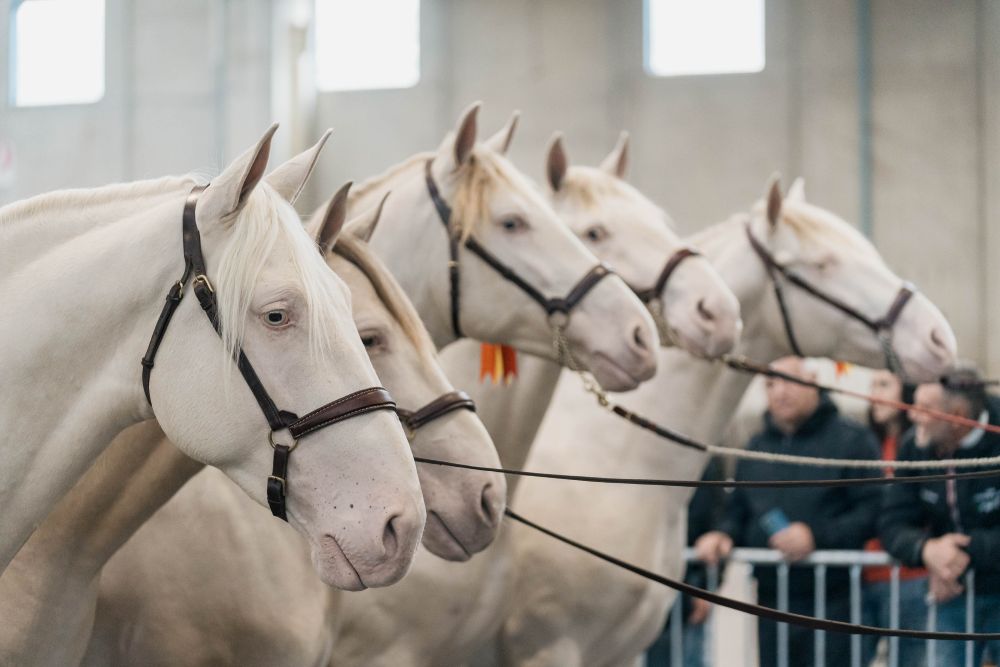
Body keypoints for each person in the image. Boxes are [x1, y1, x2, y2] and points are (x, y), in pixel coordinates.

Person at [695, 356, 881, 667]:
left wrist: (816, 537)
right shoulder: (754, 447)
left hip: (835, 602)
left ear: (813, 381)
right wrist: (723, 534)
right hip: (772, 601)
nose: (780, 392)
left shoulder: (853, 440)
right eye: (770, 383)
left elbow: (874, 510)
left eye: (789, 381)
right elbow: (738, 510)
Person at [879, 364, 1000, 666]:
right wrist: (927, 550)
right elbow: (891, 521)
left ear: (957, 417)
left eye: (925, 408)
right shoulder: (915, 445)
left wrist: (962, 552)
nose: (912, 414)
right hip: (953, 593)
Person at [861, 370, 927, 666]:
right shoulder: (866, 444)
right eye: (873, 385)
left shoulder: (917, 446)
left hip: (910, 576)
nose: (875, 393)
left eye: (884, 385)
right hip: (867, 574)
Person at [645, 459, 726, 667]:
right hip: (638, 592)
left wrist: (704, 587)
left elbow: (716, 522)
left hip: (684, 595)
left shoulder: (703, 464)